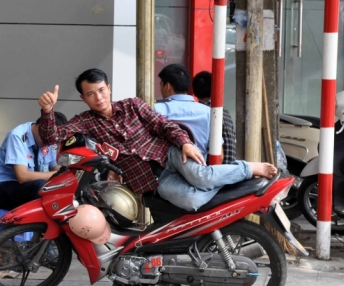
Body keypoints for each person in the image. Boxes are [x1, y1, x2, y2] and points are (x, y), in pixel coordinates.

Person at [37, 69, 277, 212]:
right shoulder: (86, 121)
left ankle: (249, 168)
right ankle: (228, 182)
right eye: (90, 94)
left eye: (101, 90)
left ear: (109, 88)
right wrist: (48, 111)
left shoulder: (132, 104)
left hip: (169, 154)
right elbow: (52, 137)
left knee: (201, 177)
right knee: (191, 200)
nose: (98, 97)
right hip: (152, 178)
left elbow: (163, 125)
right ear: (83, 98)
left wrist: (184, 142)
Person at [0, 112, 68, 211]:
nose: (49, 143)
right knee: (41, 186)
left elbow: (55, 167)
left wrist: (68, 173)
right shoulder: (17, 136)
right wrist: (58, 174)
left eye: (53, 140)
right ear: (38, 127)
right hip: (3, 190)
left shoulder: (50, 140)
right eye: (47, 139)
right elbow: (22, 176)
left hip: (30, 186)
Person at [155, 64, 211, 158]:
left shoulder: (156, 110)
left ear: (167, 86)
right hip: (198, 169)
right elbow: (219, 154)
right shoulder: (208, 113)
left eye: (161, 85)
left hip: (163, 171)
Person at [192, 71, 237, 165]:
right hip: (231, 171)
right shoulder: (225, 112)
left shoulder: (205, 113)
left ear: (194, 92)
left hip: (216, 172)